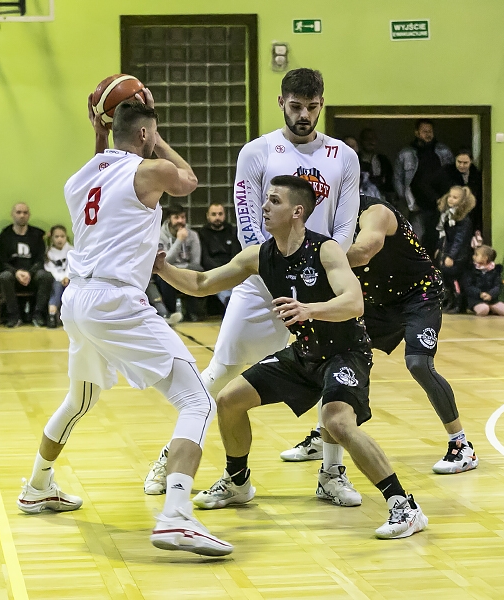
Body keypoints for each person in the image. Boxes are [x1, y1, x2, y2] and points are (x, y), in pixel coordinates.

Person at [16, 94, 232, 557]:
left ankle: (36, 485)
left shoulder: (78, 179)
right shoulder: (148, 170)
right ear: (143, 135)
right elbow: (189, 181)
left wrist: (101, 129)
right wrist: (156, 137)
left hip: (76, 300)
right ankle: (176, 516)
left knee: (79, 398)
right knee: (197, 400)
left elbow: (103, 162)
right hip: (115, 300)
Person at [154, 177, 428, 539]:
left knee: (337, 422)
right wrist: (162, 268)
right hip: (304, 353)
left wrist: (308, 309)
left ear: (297, 212)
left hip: (345, 353)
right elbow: (203, 283)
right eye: (265, 200)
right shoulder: (259, 255)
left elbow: (354, 302)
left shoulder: (326, 250)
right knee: (228, 400)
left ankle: (404, 507)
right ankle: (237, 482)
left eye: (274, 201)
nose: (264, 207)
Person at [344, 195, 477, 475]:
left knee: (419, 364)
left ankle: (461, 444)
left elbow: (365, 250)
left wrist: (313, 258)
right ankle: (328, 435)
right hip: (376, 299)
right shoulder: (325, 215)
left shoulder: (374, 211)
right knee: (336, 356)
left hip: (419, 294)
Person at [393, 119, 453, 255]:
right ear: (417, 133)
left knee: (439, 242)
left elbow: (451, 176)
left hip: (440, 205)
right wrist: (404, 199)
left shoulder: (443, 151)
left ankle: (436, 273)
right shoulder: (406, 153)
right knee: (416, 241)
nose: (428, 134)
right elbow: (397, 179)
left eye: (430, 131)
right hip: (416, 206)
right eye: (424, 131)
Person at [0, 203, 54, 328]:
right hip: (13, 274)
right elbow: (2, 261)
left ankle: (38, 315)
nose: (22, 215)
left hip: (32, 275)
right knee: (4, 277)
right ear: (12, 214)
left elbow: (40, 260)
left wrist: (30, 273)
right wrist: (16, 272)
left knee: (46, 276)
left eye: (25, 212)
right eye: (18, 212)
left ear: (29, 215)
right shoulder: (5, 235)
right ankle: (13, 316)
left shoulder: (36, 235)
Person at [157, 205, 204, 321]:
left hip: (186, 269)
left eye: (183, 217)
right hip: (166, 270)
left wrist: (180, 268)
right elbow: (164, 262)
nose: (180, 221)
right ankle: (171, 312)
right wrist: (179, 240)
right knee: (164, 275)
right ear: (169, 219)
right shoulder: (159, 235)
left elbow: (196, 262)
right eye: (176, 217)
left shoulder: (193, 235)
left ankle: (193, 312)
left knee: (198, 272)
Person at [435, 186, 476, 313]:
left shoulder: (464, 219)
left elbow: (460, 240)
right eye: (450, 196)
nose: (451, 199)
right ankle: (450, 301)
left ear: (462, 201)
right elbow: (443, 234)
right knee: (445, 276)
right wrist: (439, 248)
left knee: (456, 278)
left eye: (455, 197)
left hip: (459, 255)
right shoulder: (447, 215)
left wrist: (451, 256)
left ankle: (459, 304)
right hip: (447, 250)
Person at [197, 202, 241, 308]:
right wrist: (220, 271)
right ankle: (229, 301)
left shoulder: (233, 231)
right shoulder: (202, 233)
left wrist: (231, 269)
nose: (217, 217)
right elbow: (204, 257)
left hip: (232, 268)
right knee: (218, 281)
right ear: (208, 216)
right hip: (213, 270)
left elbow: (236, 253)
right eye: (214, 214)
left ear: (224, 215)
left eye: (220, 214)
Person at [434, 148, 483, 234]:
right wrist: (437, 200)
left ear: (471, 161)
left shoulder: (476, 174)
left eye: (465, 163)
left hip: (470, 213)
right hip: (449, 212)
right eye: (459, 162)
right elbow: (431, 185)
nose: (462, 165)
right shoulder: (446, 172)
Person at [463, 245, 504, 316]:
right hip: (476, 300)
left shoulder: (495, 271)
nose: (473, 256)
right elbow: (468, 286)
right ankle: (478, 308)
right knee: (483, 310)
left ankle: (491, 307)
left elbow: (498, 286)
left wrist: (491, 294)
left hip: (491, 299)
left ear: (485, 258)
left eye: (476, 255)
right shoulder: (471, 270)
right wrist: (480, 294)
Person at [44, 224, 73, 328]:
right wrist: (61, 278)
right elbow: (50, 268)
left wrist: (67, 277)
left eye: (62, 236)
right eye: (56, 237)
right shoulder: (49, 252)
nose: (59, 239)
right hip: (56, 279)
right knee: (56, 287)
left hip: (69, 278)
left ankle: (71, 317)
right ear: (52, 238)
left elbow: (72, 265)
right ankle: (52, 315)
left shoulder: (71, 250)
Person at [358, 128, 394, 202]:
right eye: (367, 139)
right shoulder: (355, 159)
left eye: (373, 139)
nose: (371, 142)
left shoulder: (383, 160)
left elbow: (389, 182)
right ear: (361, 141)